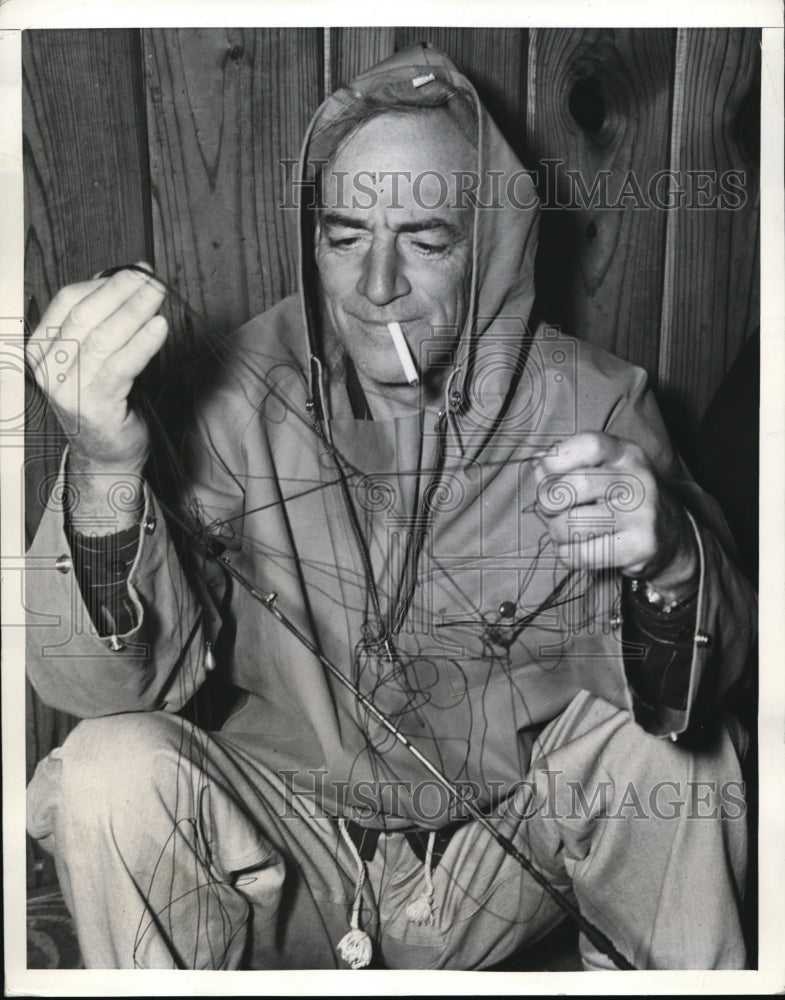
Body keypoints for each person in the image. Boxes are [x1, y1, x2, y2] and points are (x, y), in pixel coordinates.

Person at [25, 44, 755, 971]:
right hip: (288, 858)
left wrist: (673, 563)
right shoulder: (230, 395)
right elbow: (103, 691)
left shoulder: (592, 404)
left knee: (679, 755)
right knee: (106, 768)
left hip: (496, 861)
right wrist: (102, 464)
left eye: (425, 239)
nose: (375, 288)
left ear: (490, 248)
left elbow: (717, 678)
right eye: (343, 237)